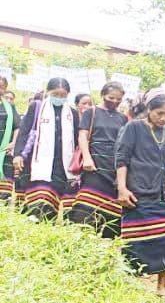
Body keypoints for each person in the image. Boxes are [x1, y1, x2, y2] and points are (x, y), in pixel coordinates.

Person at [115, 92, 165, 296]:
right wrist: (122, 188)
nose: (163, 118)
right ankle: (129, 284)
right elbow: (122, 158)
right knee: (136, 241)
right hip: (139, 191)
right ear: (149, 110)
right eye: (158, 113)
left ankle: (161, 287)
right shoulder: (134, 127)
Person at [13, 77, 78, 221]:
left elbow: (76, 137)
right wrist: (18, 154)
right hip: (36, 162)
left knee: (53, 202)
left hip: (61, 165)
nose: (59, 98)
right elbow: (24, 131)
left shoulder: (72, 114)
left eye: (63, 95)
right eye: (56, 94)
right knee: (40, 198)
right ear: (48, 92)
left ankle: (47, 225)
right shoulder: (37, 107)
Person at [69, 82, 128, 237]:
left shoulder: (123, 118)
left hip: (114, 167)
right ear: (102, 95)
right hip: (94, 165)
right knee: (87, 206)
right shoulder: (91, 112)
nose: (114, 101)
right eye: (111, 98)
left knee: (111, 210)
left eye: (118, 99)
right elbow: (83, 136)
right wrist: (87, 158)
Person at [0, 76, 20, 201]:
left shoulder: (9, 107)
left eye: (1, 87)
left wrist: (13, 142)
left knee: (4, 187)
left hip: (4, 150)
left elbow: (17, 126)